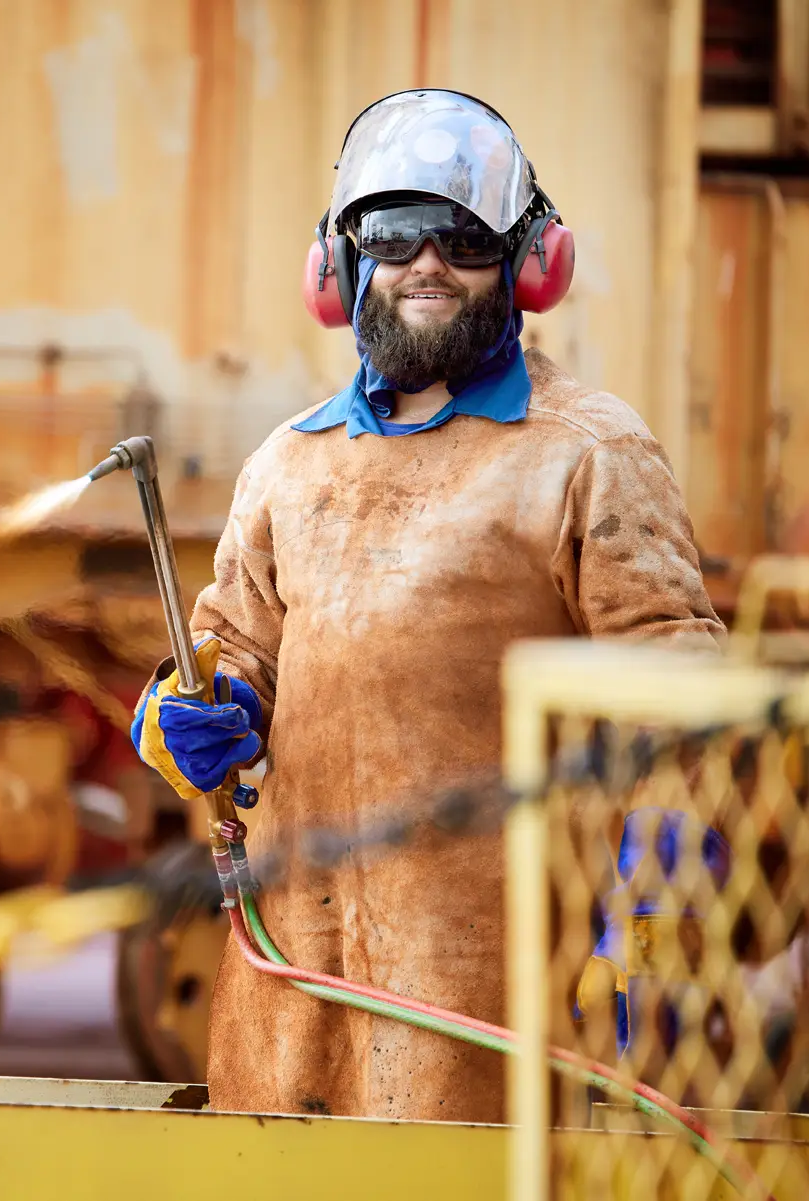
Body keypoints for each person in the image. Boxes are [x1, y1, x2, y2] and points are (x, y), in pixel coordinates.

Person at [128, 89, 725, 1123]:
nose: (427, 264)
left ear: (528, 261)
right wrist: (185, 715)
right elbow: (229, 648)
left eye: (463, 237)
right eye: (396, 236)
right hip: (291, 1005)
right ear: (343, 265)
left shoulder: (588, 451)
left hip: (495, 1005)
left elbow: (678, 698)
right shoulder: (290, 464)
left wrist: (657, 898)